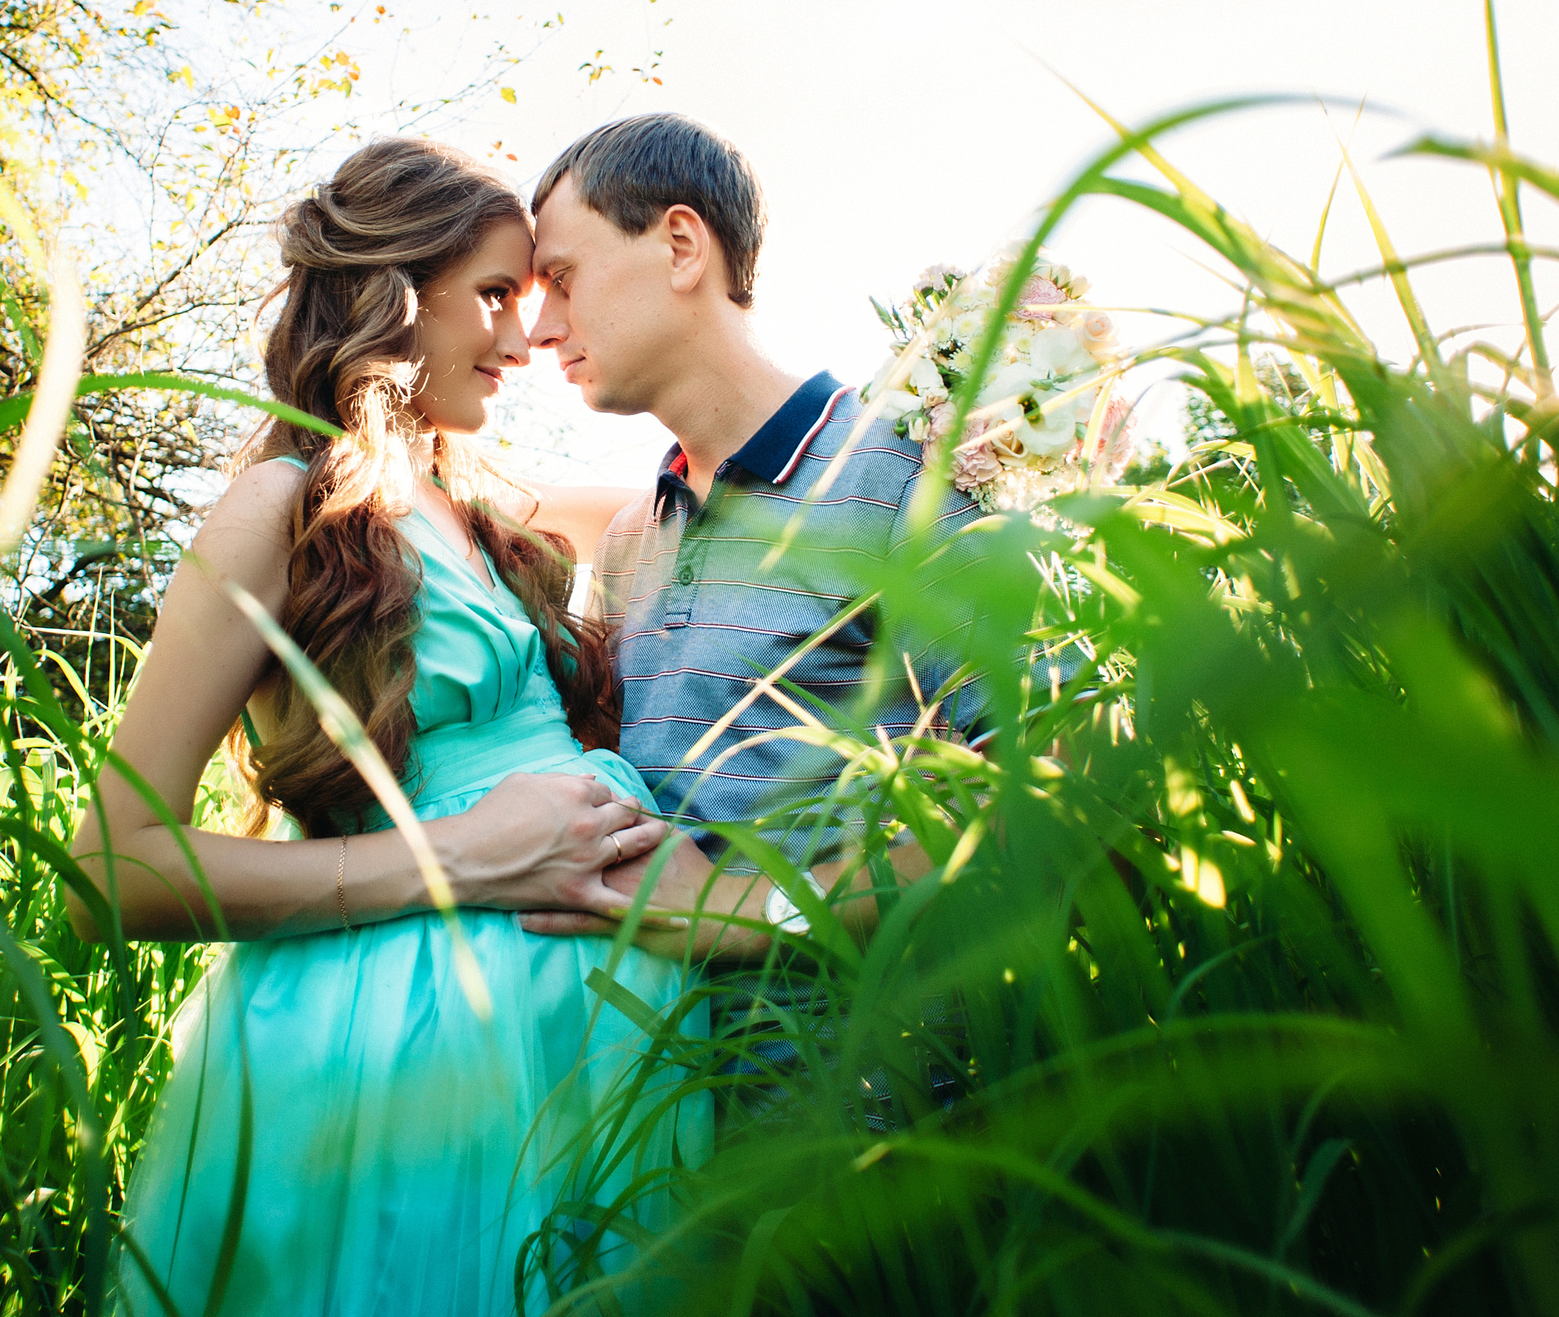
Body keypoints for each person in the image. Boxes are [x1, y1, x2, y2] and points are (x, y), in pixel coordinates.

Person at [69, 138, 706, 1316]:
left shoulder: (484, 509)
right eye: (495, 296)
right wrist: (454, 859)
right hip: (404, 1046)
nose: (524, 338)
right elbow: (111, 869)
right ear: (397, 295)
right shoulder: (283, 506)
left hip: (579, 1044)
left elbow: (696, 492)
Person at [517, 112, 985, 961]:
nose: (537, 328)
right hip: (658, 1080)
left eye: (562, 277)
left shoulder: (906, 478)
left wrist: (751, 910)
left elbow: (1050, 788)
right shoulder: (632, 541)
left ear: (682, 246)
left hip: (862, 1082)